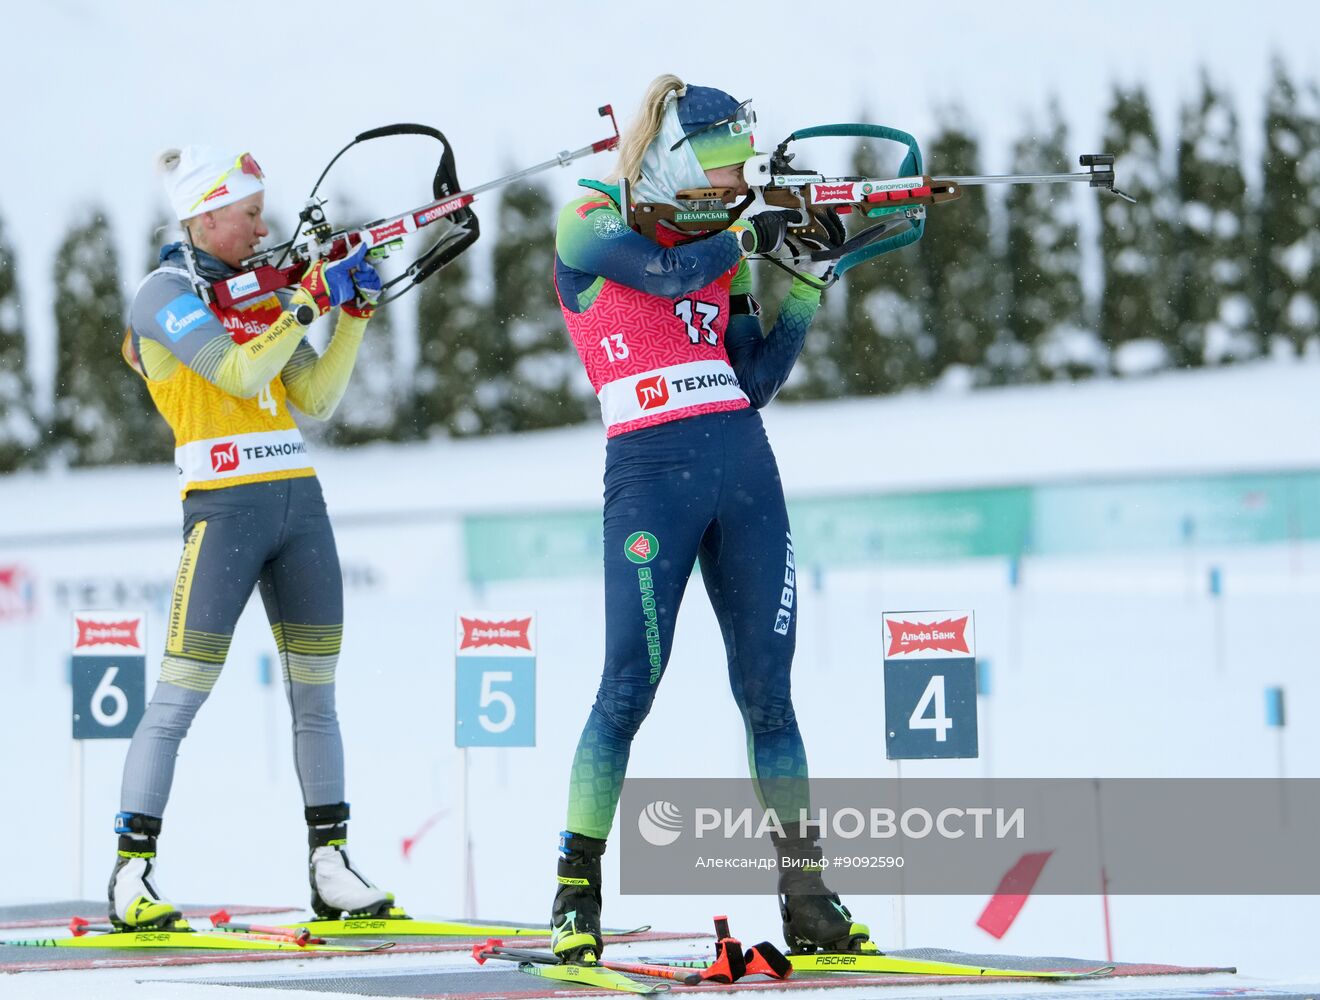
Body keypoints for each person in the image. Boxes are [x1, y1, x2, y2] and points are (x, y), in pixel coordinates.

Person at [548, 75, 871, 960]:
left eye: (741, 173)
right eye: (723, 171)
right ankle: (576, 892)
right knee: (627, 688)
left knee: (771, 694)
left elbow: (750, 380)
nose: (737, 185)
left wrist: (803, 285)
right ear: (675, 159)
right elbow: (665, 269)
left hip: (745, 473)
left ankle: (806, 895)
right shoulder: (590, 213)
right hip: (651, 474)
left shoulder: (722, 245)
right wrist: (744, 232)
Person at [109, 145, 396, 929]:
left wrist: (352, 316)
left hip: (299, 504)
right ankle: (131, 874)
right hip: (223, 508)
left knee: (317, 698)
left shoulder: (259, 293)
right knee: (178, 697)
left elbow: (316, 395)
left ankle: (330, 865)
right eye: (249, 212)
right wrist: (304, 304)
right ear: (204, 215)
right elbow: (235, 375)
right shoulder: (161, 293)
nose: (262, 225)